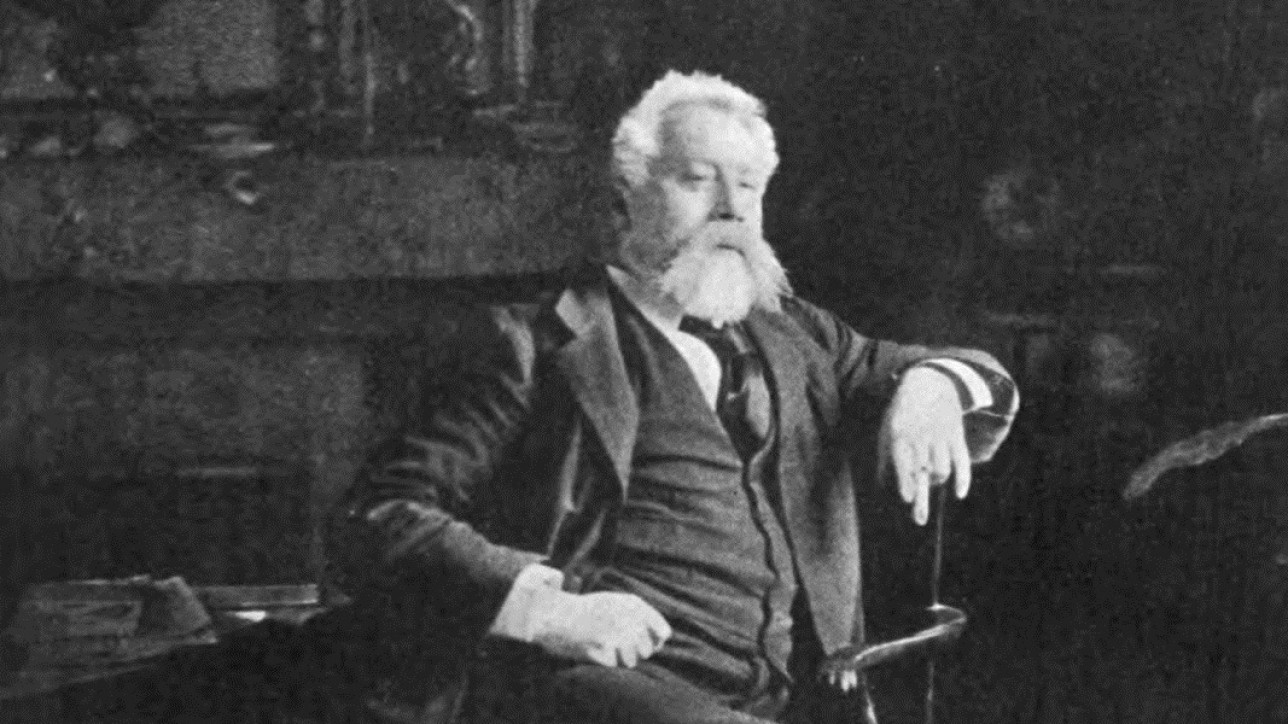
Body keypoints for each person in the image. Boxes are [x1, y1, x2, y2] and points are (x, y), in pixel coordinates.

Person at [331, 70, 1018, 724]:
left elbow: (971, 373)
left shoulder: (798, 335)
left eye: (748, 187)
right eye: (697, 180)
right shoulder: (531, 342)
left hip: (796, 702)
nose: (730, 209)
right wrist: (553, 613)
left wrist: (933, 384)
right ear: (624, 196)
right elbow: (376, 517)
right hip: (596, 694)